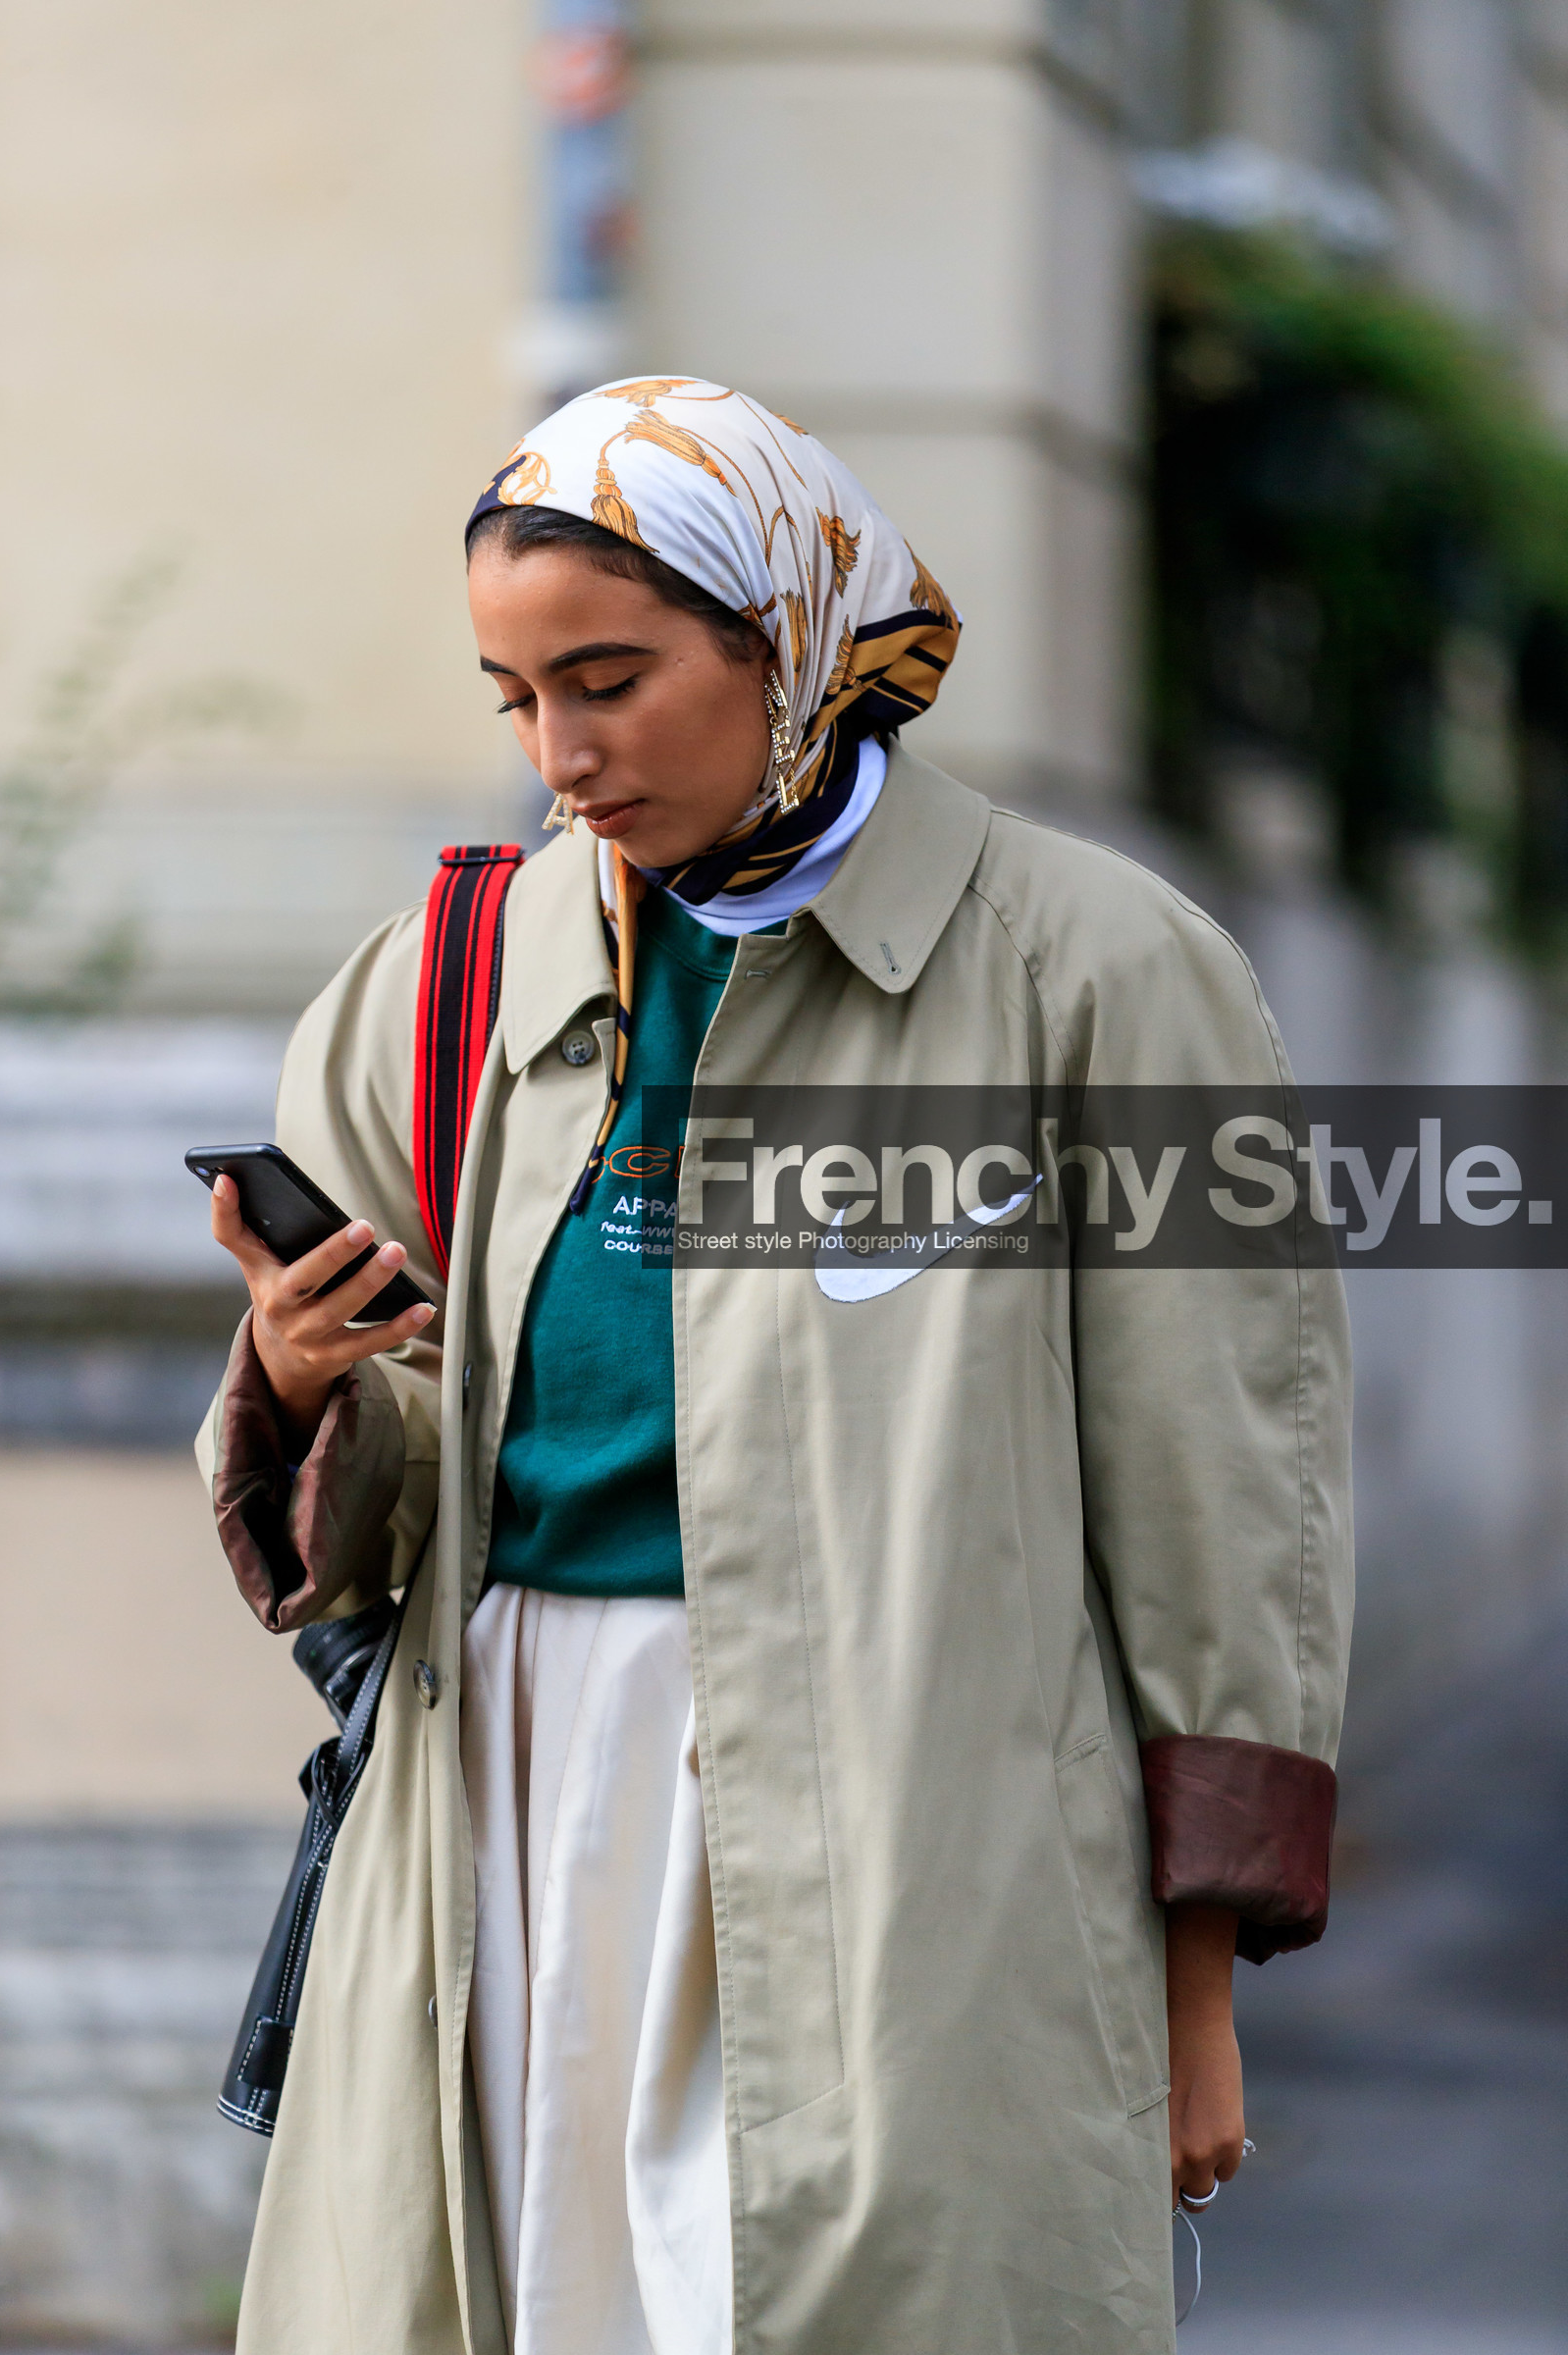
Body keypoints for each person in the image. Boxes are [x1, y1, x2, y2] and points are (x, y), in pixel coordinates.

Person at [197, 378, 1353, 2355]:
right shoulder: (444, 979)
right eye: (513, 695)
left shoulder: (1095, 973)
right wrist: (299, 1383)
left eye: (611, 680)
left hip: (927, 1861)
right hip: (505, 1815)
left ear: (784, 642)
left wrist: (1188, 2000)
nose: (560, 753)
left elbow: (1218, 1504)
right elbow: (390, 1515)